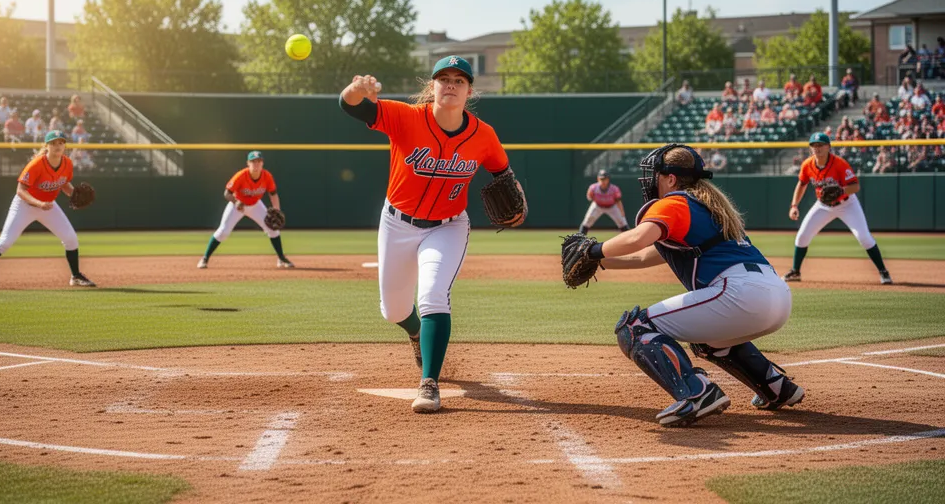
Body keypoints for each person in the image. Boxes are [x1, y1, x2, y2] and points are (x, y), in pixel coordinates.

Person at [338, 55, 527, 414]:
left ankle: (429, 382)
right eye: (444, 79)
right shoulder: (406, 117)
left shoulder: (483, 135)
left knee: (433, 296)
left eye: (459, 80)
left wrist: (516, 192)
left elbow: (502, 173)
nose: (451, 85)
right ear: (433, 86)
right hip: (397, 223)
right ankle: (414, 333)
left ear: (469, 90)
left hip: (448, 226)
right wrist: (355, 90)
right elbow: (350, 107)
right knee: (393, 309)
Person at [566, 144, 803, 427]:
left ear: (671, 178)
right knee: (706, 338)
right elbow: (643, 256)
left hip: (739, 293)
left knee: (634, 327)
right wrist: (600, 263)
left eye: (655, 174)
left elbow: (638, 238)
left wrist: (592, 250)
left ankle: (696, 392)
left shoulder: (675, 202)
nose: (650, 180)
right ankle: (776, 387)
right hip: (774, 295)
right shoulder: (709, 207)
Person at [0, 130, 96, 289]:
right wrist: (39, 204)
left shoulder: (67, 163)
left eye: (61, 142)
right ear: (47, 146)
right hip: (24, 205)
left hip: (48, 205)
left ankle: (75, 276)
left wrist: (73, 194)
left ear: (65, 146)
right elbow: (20, 190)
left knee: (71, 239)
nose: (57, 146)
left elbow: (63, 183)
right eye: (54, 143)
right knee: (5, 242)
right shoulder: (36, 164)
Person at [782, 132, 892, 285]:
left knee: (864, 238)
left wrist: (840, 191)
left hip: (847, 204)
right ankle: (795, 271)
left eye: (820, 145)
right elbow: (802, 184)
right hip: (823, 205)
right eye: (814, 145)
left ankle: (883, 271)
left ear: (828, 147)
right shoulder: (807, 164)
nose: (817, 148)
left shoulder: (840, 164)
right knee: (802, 236)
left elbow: (855, 186)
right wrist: (794, 205)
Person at [198, 151, 294, 270]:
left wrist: (277, 210)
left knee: (273, 229)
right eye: (253, 161)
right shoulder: (241, 175)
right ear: (248, 163)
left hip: (255, 205)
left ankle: (281, 258)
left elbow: (273, 194)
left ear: (262, 163)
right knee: (223, 232)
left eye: (258, 161)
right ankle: (205, 258)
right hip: (238, 205)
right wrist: (236, 201)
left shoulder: (267, 176)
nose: (256, 164)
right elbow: (227, 193)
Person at [579, 169, 628, 235]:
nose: (603, 181)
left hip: (612, 207)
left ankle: (628, 240)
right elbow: (589, 196)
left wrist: (622, 212)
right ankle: (579, 239)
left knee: (622, 222)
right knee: (587, 221)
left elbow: (618, 201)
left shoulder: (614, 189)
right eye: (601, 179)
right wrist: (590, 196)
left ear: (608, 179)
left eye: (605, 179)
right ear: (598, 179)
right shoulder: (593, 188)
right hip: (597, 206)